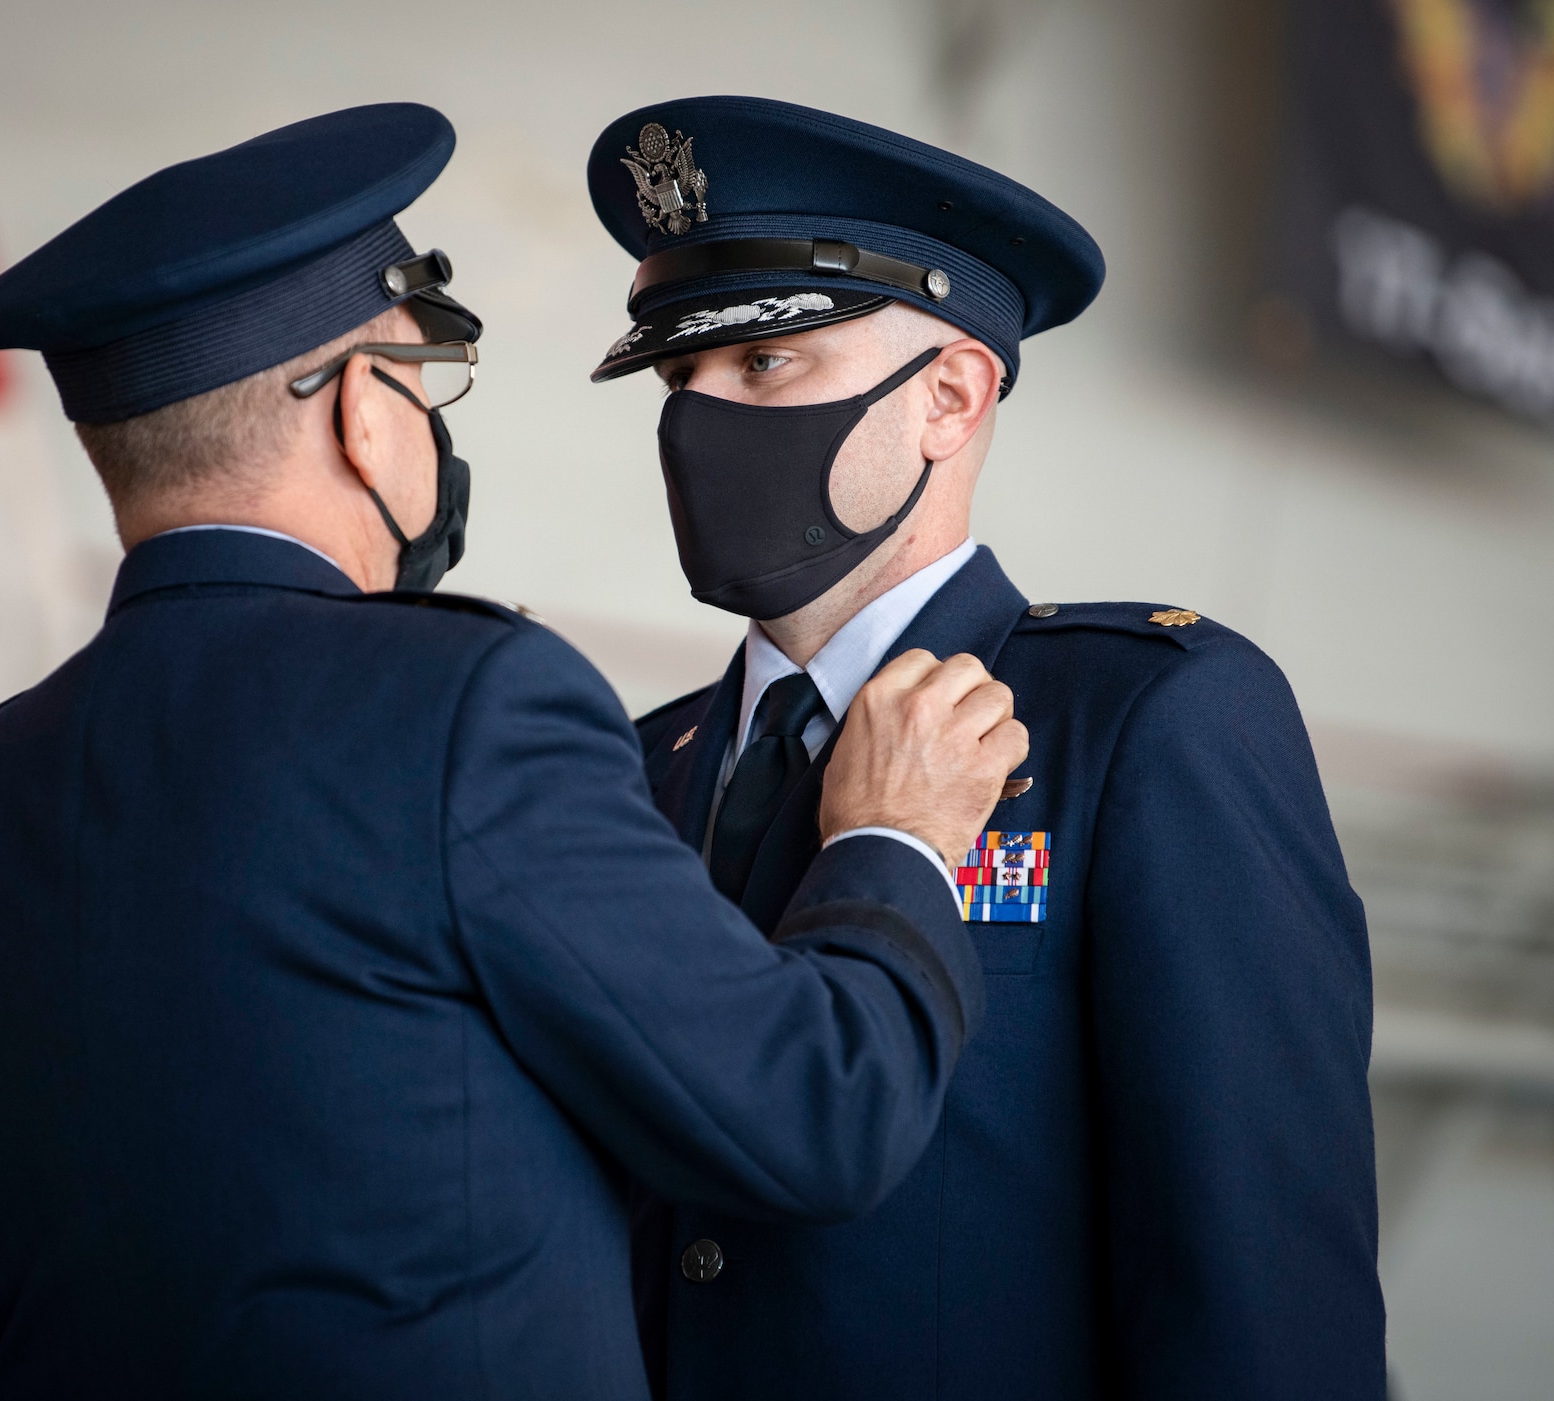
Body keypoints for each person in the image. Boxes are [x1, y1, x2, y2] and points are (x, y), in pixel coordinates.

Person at [0, 103, 1025, 1401]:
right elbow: (815, 1113)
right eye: (424, 382)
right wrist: (895, 837)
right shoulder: (468, 711)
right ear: (361, 412)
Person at [587, 96, 1385, 1400]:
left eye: (764, 363)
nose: (697, 416)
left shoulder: (1140, 725)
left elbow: (1258, 1291)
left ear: (950, 397)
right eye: (679, 373)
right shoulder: (630, 769)